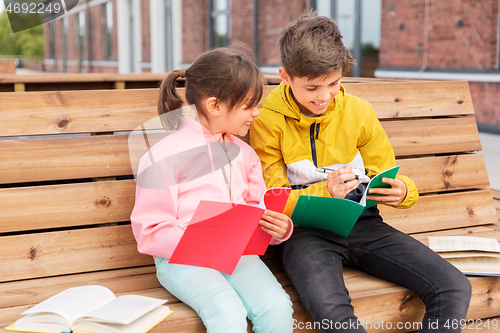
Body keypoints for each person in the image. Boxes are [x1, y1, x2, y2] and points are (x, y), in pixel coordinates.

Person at [250, 13, 471, 333]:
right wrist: (327, 191)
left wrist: (403, 191)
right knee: (333, 314)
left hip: (363, 223)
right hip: (304, 233)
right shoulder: (267, 121)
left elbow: (387, 170)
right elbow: (273, 198)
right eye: (311, 87)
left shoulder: (359, 112)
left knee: (453, 287)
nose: (324, 96)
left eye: (334, 84)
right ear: (285, 76)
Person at [130, 48, 294, 333]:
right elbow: (151, 230)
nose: (256, 113)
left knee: (277, 306)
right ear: (215, 105)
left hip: (237, 254)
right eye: (248, 106)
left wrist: (277, 229)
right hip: (181, 259)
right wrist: (204, 243)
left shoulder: (245, 154)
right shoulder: (162, 156)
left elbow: (257, 212)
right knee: (227, 310)